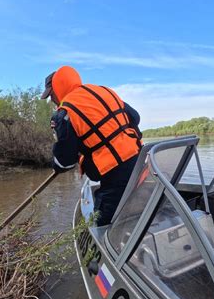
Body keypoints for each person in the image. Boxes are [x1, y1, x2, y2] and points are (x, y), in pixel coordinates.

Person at [41, 65, 142, 226]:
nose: (52, 99)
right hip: (140, 159)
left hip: (115, 173)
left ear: (58, 88)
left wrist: (56, 164)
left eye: (51, 94)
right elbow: (135, 118)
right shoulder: (103, 91)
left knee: (103, 223)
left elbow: (65, 162)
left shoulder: (64, 113)